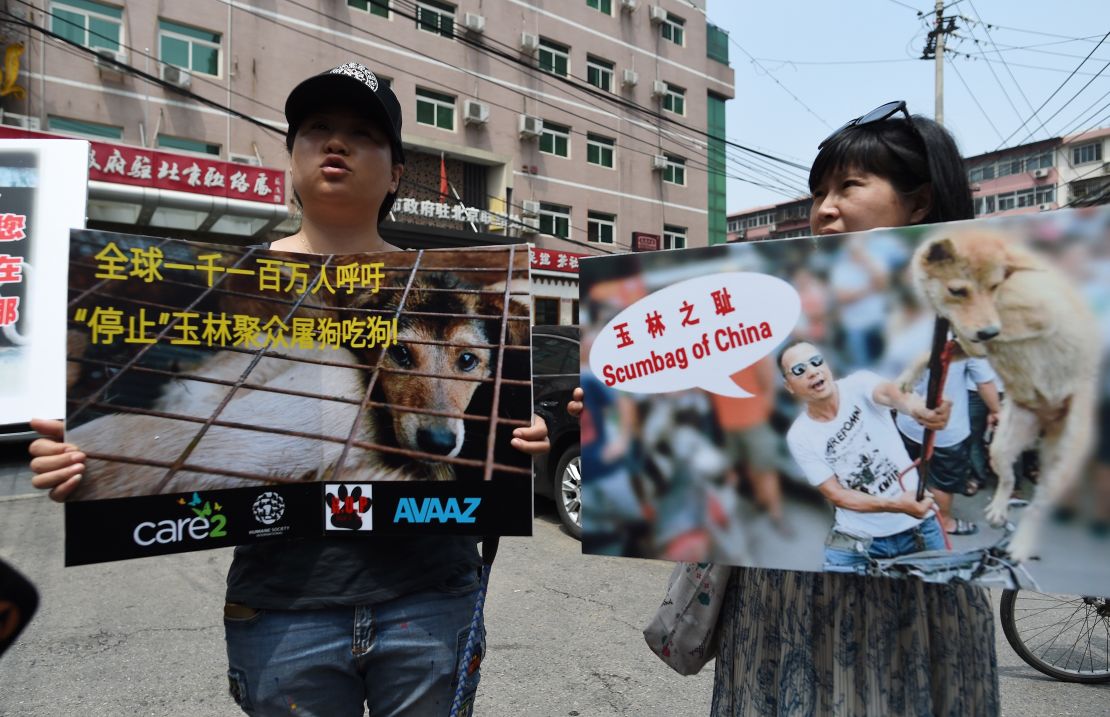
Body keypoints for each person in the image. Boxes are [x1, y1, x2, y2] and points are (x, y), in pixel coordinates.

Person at [28, 61, 550, 717]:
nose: (337, 142)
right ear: (291, 155)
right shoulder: (231, 286)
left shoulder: (443, 284)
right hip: (283, 607)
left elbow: (492, 435)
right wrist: (87, 463)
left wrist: (530, 438)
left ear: (395, 173)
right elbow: (181, 430)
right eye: (317, 128)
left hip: (431, 595)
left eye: (363, 132)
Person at [712, 102, 1001, 716]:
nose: (824, 209)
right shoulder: (775, 292)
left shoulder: (959, 300)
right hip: (787, 591)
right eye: (818, 192)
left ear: (918, 203)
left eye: (848, 186)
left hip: (918, 602)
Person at [778, 340, 950, 572]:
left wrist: (918, 409)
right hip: (858, 538)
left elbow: (892, 394)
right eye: (799, 369)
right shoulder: (800, 436)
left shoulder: (858, 384)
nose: (812, 371)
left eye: (816, 361)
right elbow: (836, 494)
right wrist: (896, 505)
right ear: (788, 386)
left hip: (919, 527)